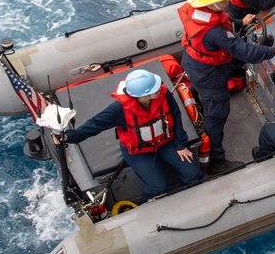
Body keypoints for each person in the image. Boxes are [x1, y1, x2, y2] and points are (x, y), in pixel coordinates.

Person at [178, 0, 275, 175]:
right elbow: (245, 52)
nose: (229, 2)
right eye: (224, 0)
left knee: (204, 98)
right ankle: (217, 162)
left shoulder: (196, 9)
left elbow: (220, 21)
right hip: (210, 76)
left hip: (193, 64)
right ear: (212, 3)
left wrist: (241, 21)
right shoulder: (215, 33)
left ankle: (200, 110)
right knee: (217, 115)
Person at [54, 69, 202, 200]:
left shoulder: (163, 94)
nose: (160, 88)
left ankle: (193, 200)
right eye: (155, 89)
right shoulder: (118, 110)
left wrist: (181, 144)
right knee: (157, 187)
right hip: (138, 152)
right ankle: (148, 207)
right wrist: (68, 137)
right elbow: (93, 125)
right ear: (142, 96)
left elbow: (175, 116)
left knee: (192, 173)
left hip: (166, 142)